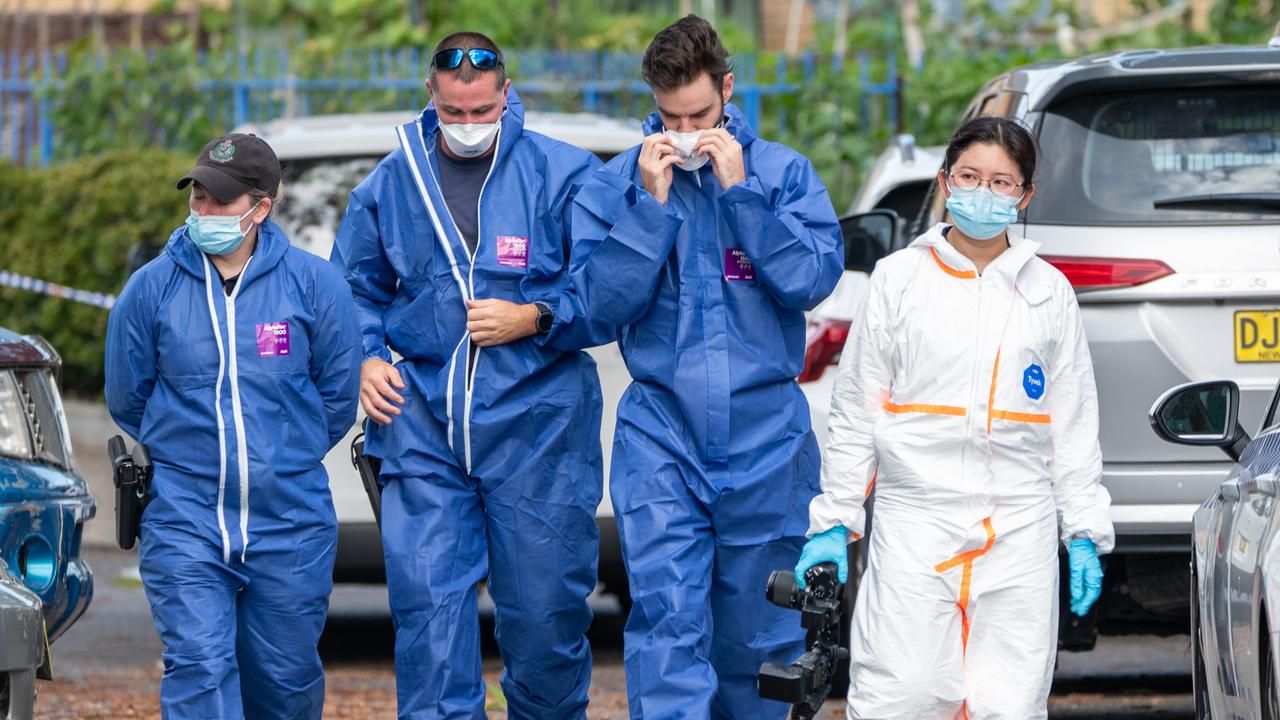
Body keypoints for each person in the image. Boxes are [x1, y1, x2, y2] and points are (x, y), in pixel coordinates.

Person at [521, 15, 843, 719]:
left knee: (759, 636)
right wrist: (647, 209)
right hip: (662, 442)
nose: (688, 131)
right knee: (668, 623)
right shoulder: (618, 186)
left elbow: (810, 280)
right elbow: (596, 309)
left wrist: (742, 197)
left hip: (767, 444)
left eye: (701, 114)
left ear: (728, 91)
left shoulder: (782, 174)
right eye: (671, 117)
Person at [797, 116, 1114, 719]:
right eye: (970, 176)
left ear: (1025, 196)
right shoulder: (898, 280)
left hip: (1020, 528)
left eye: (1001, 183)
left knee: (1011, 705)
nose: (983, 192)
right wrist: (835, 521)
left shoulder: (1049, 293)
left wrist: (1084, 533)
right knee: (901, 695)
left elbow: (1073, 425)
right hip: (915, 522)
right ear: (945, 181)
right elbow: (855, 412)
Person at [329, 31, 605, 720]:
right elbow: (352, 287)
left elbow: (607, 290)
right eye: (456, 113)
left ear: (506, 95)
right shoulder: (393, 184)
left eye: (482, 111)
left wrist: (534, 316)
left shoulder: (562, 176)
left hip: (538, 433)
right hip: (422, 429)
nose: (470, 125)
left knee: (545, 619)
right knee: (429, 617)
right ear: (433, 97)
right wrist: (367, 356)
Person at [104, 132, 362, 719]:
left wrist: (278, 451)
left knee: (284, 682)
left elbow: (336, 397)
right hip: (185, 518)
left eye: (219, 200)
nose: (204, 210)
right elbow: (127, 394)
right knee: (199, 666)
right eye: (197, 195)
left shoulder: (315, 286)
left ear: (260, 208)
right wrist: (191, 449)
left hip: (289, 521)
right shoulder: (151, 288)